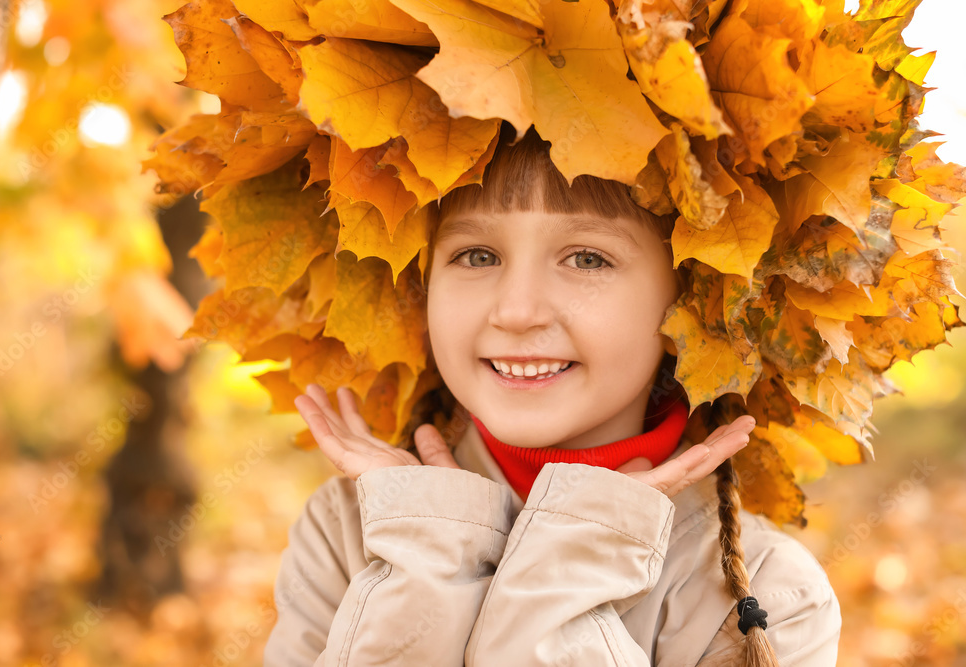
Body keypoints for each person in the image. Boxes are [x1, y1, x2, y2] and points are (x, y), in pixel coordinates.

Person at [263, 130, 841, 666]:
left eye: (587, 258)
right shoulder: (350, 532)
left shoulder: (763, 598)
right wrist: (430, 560)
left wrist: (575, 556)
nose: (516, 311)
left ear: (694, 299)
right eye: (478, 255)